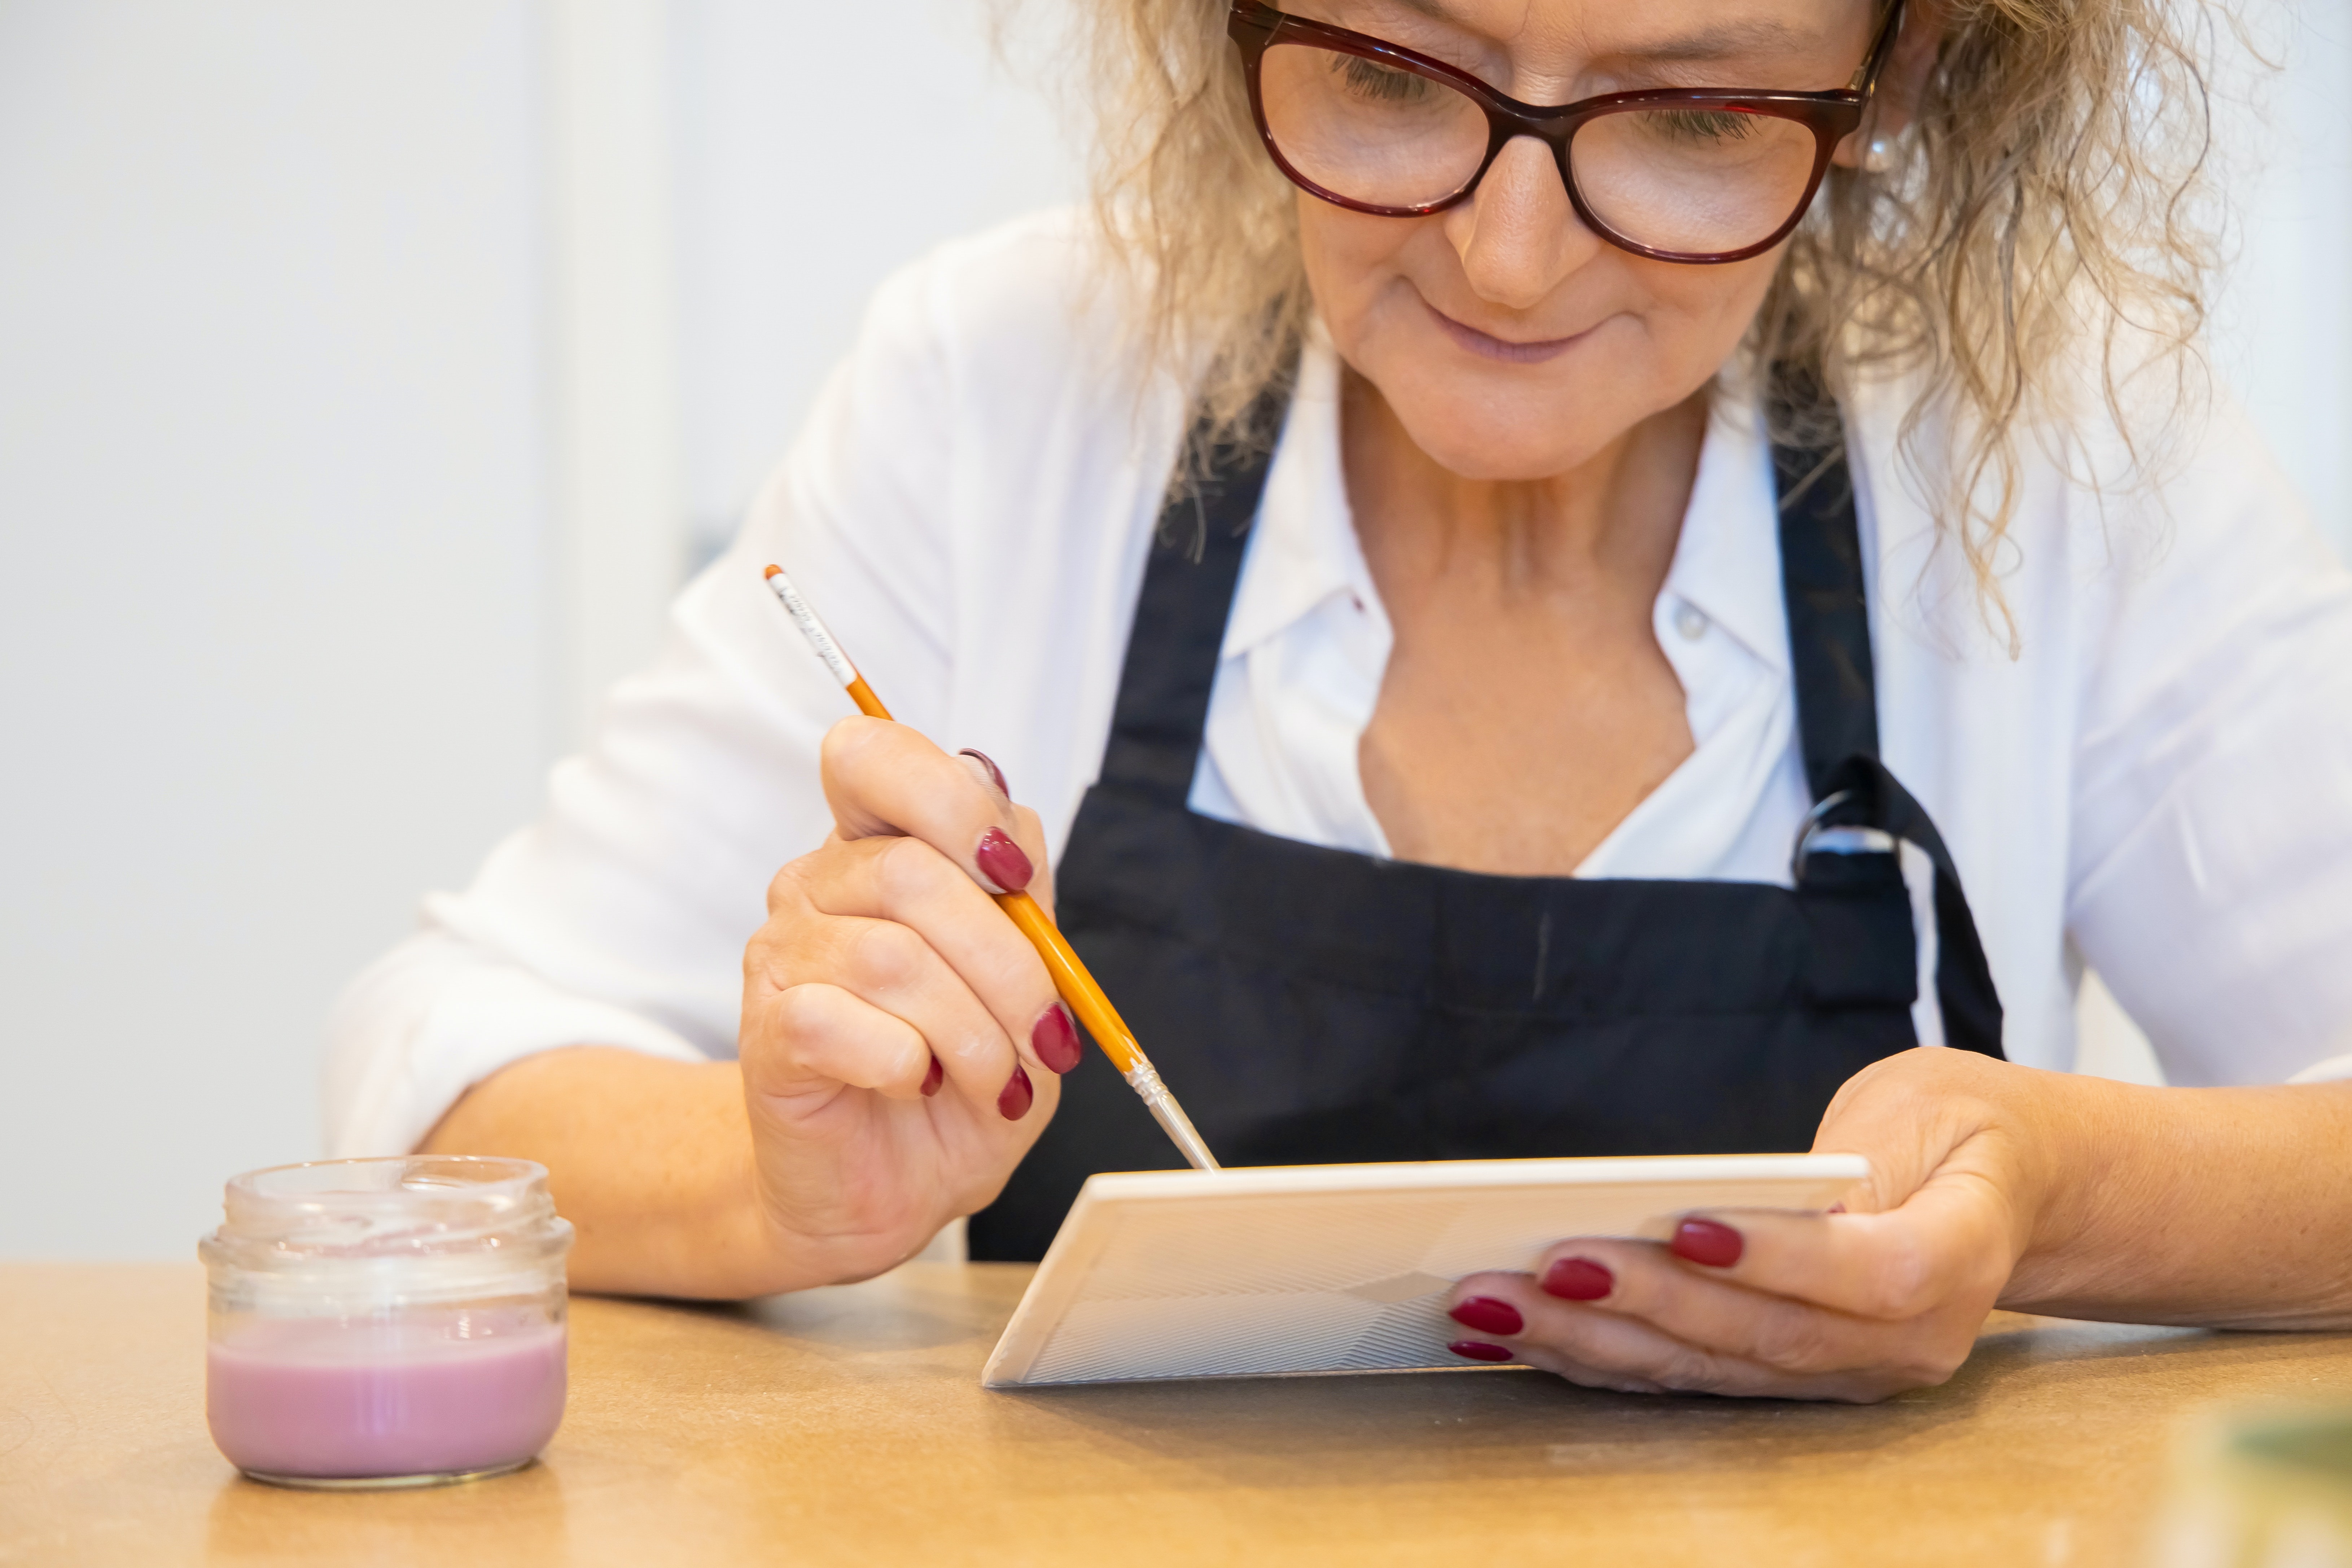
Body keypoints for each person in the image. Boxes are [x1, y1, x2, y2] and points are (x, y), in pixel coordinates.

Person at [330, 0, 2352, 1400]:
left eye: (1687, 117)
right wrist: (775, 1184)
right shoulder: (1013, 389)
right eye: (1397, 71)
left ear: (1890, 74)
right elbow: (438, 1085)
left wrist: (2063, 1199)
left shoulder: (2065, 449)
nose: (1505, 248)